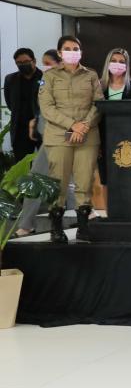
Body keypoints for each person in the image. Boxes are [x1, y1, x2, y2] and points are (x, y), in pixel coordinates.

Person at [37, 35, 102, 243]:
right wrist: (72, 125)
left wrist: (83, 126)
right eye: (67, 48)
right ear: (59, 52)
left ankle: (83, 227)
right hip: (59, 136)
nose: (72, 51)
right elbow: (47, 108)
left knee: (85, 181)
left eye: (76, 48)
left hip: (87, 135)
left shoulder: (90, 75)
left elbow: (98, 104)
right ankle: (56, 228)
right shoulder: (49, 77)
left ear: (81, 52)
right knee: (59, 182)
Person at [15, 49, 60, 237]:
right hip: (48, 136)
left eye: (49, 63)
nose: (45, 67)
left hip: (63, 136)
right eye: (44, 63)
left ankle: (87, 213)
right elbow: (38, 104)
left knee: (39, 178)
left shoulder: (69, 82)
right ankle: (27, 223)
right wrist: (35, 119)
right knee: (41, 178)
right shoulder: (43, 81)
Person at [4, 48, 42, 161]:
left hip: (42, 127)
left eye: (25, 62)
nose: (22, 65)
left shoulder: (45, 78)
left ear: (34, 61)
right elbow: (10, 103)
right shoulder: (10, 79)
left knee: (46, 166)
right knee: (22, 167)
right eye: (19, 63)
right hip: (20, 130)